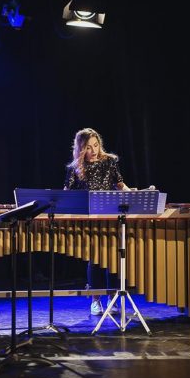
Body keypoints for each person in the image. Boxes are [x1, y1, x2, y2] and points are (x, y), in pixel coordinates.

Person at [64, 127, 131, 315]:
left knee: (113, 259)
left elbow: (120, 185)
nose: (93, 150)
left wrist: (135, 196)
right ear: (81, 149)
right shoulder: (74, 168)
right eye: (88, 147)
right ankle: (95, 300)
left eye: (96, 145)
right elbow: (66, 195)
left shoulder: (109, 162)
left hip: (110, 217)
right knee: (95, 260)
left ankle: (112, 298)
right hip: (89, 219)